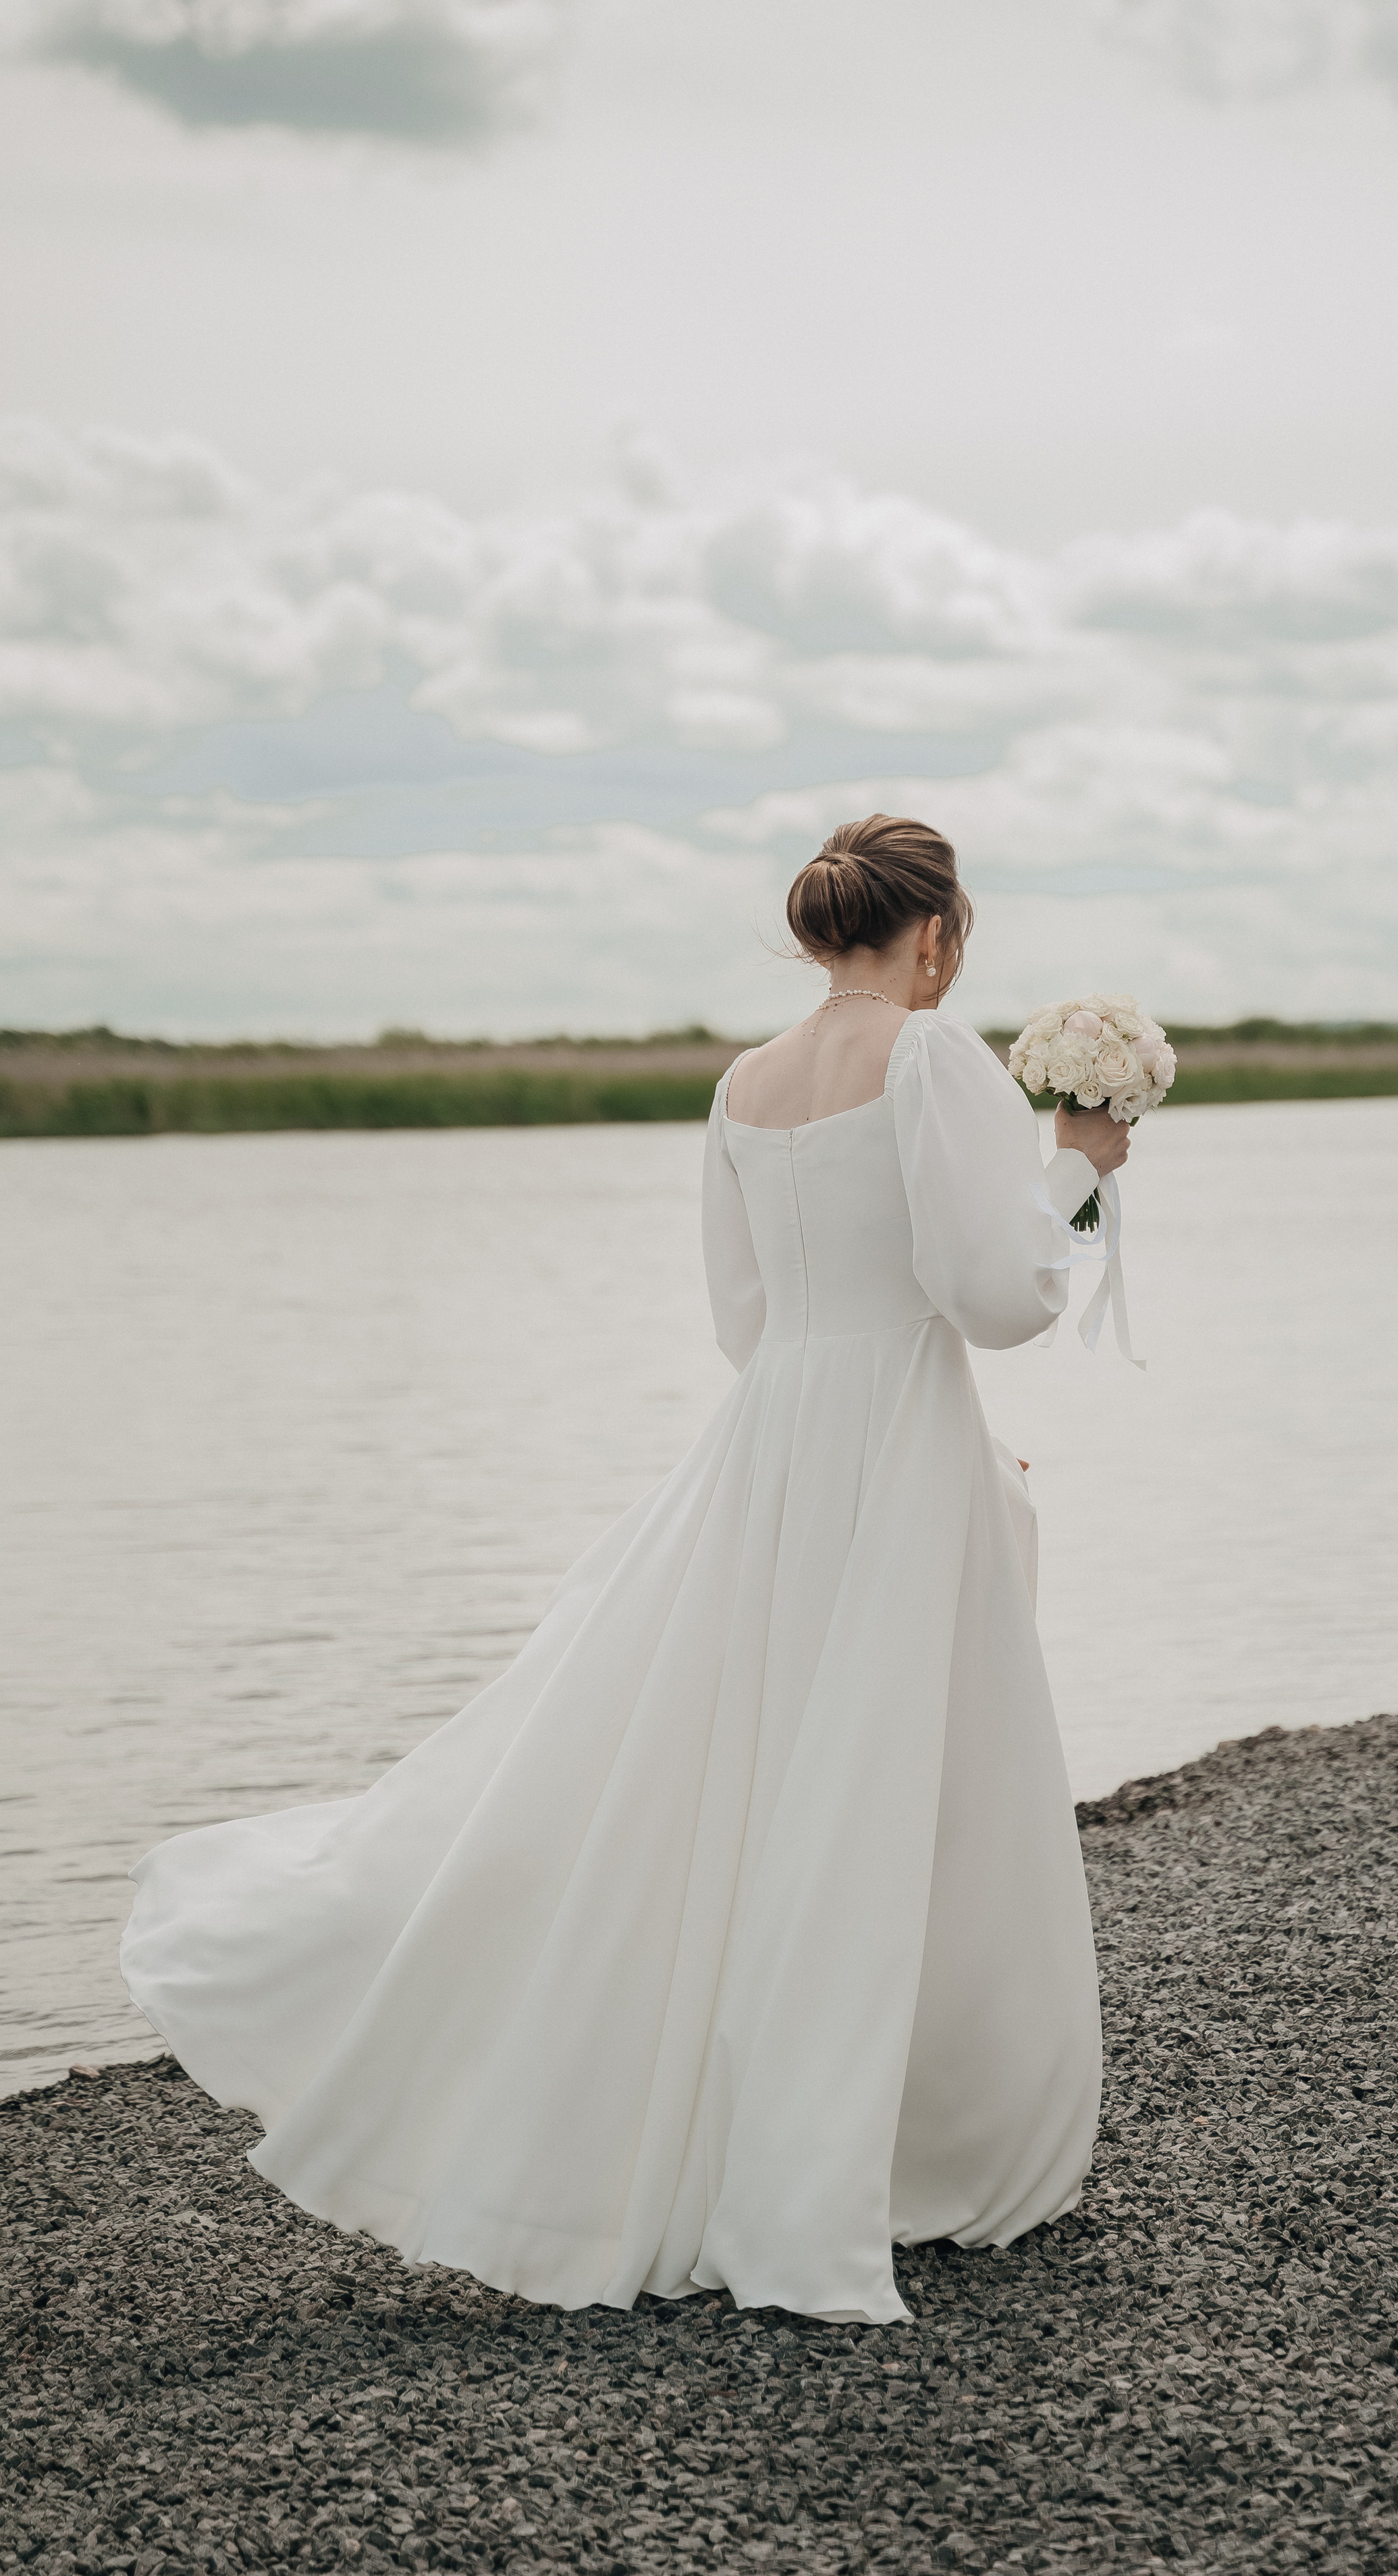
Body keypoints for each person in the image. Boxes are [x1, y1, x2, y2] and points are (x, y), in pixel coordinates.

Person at [121, 813, 1132, 2326]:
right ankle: (884, 2149)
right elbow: (995, 1299)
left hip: (768, 1448)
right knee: (880, 1782)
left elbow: (745, 1317)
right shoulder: (935, 1055)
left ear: (821, 931)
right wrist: (1078, 1172)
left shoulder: (743, 1084)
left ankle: (723, 2129)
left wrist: (855, 1400)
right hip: (895, 1451)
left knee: (742, 1776)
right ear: (937, 931)